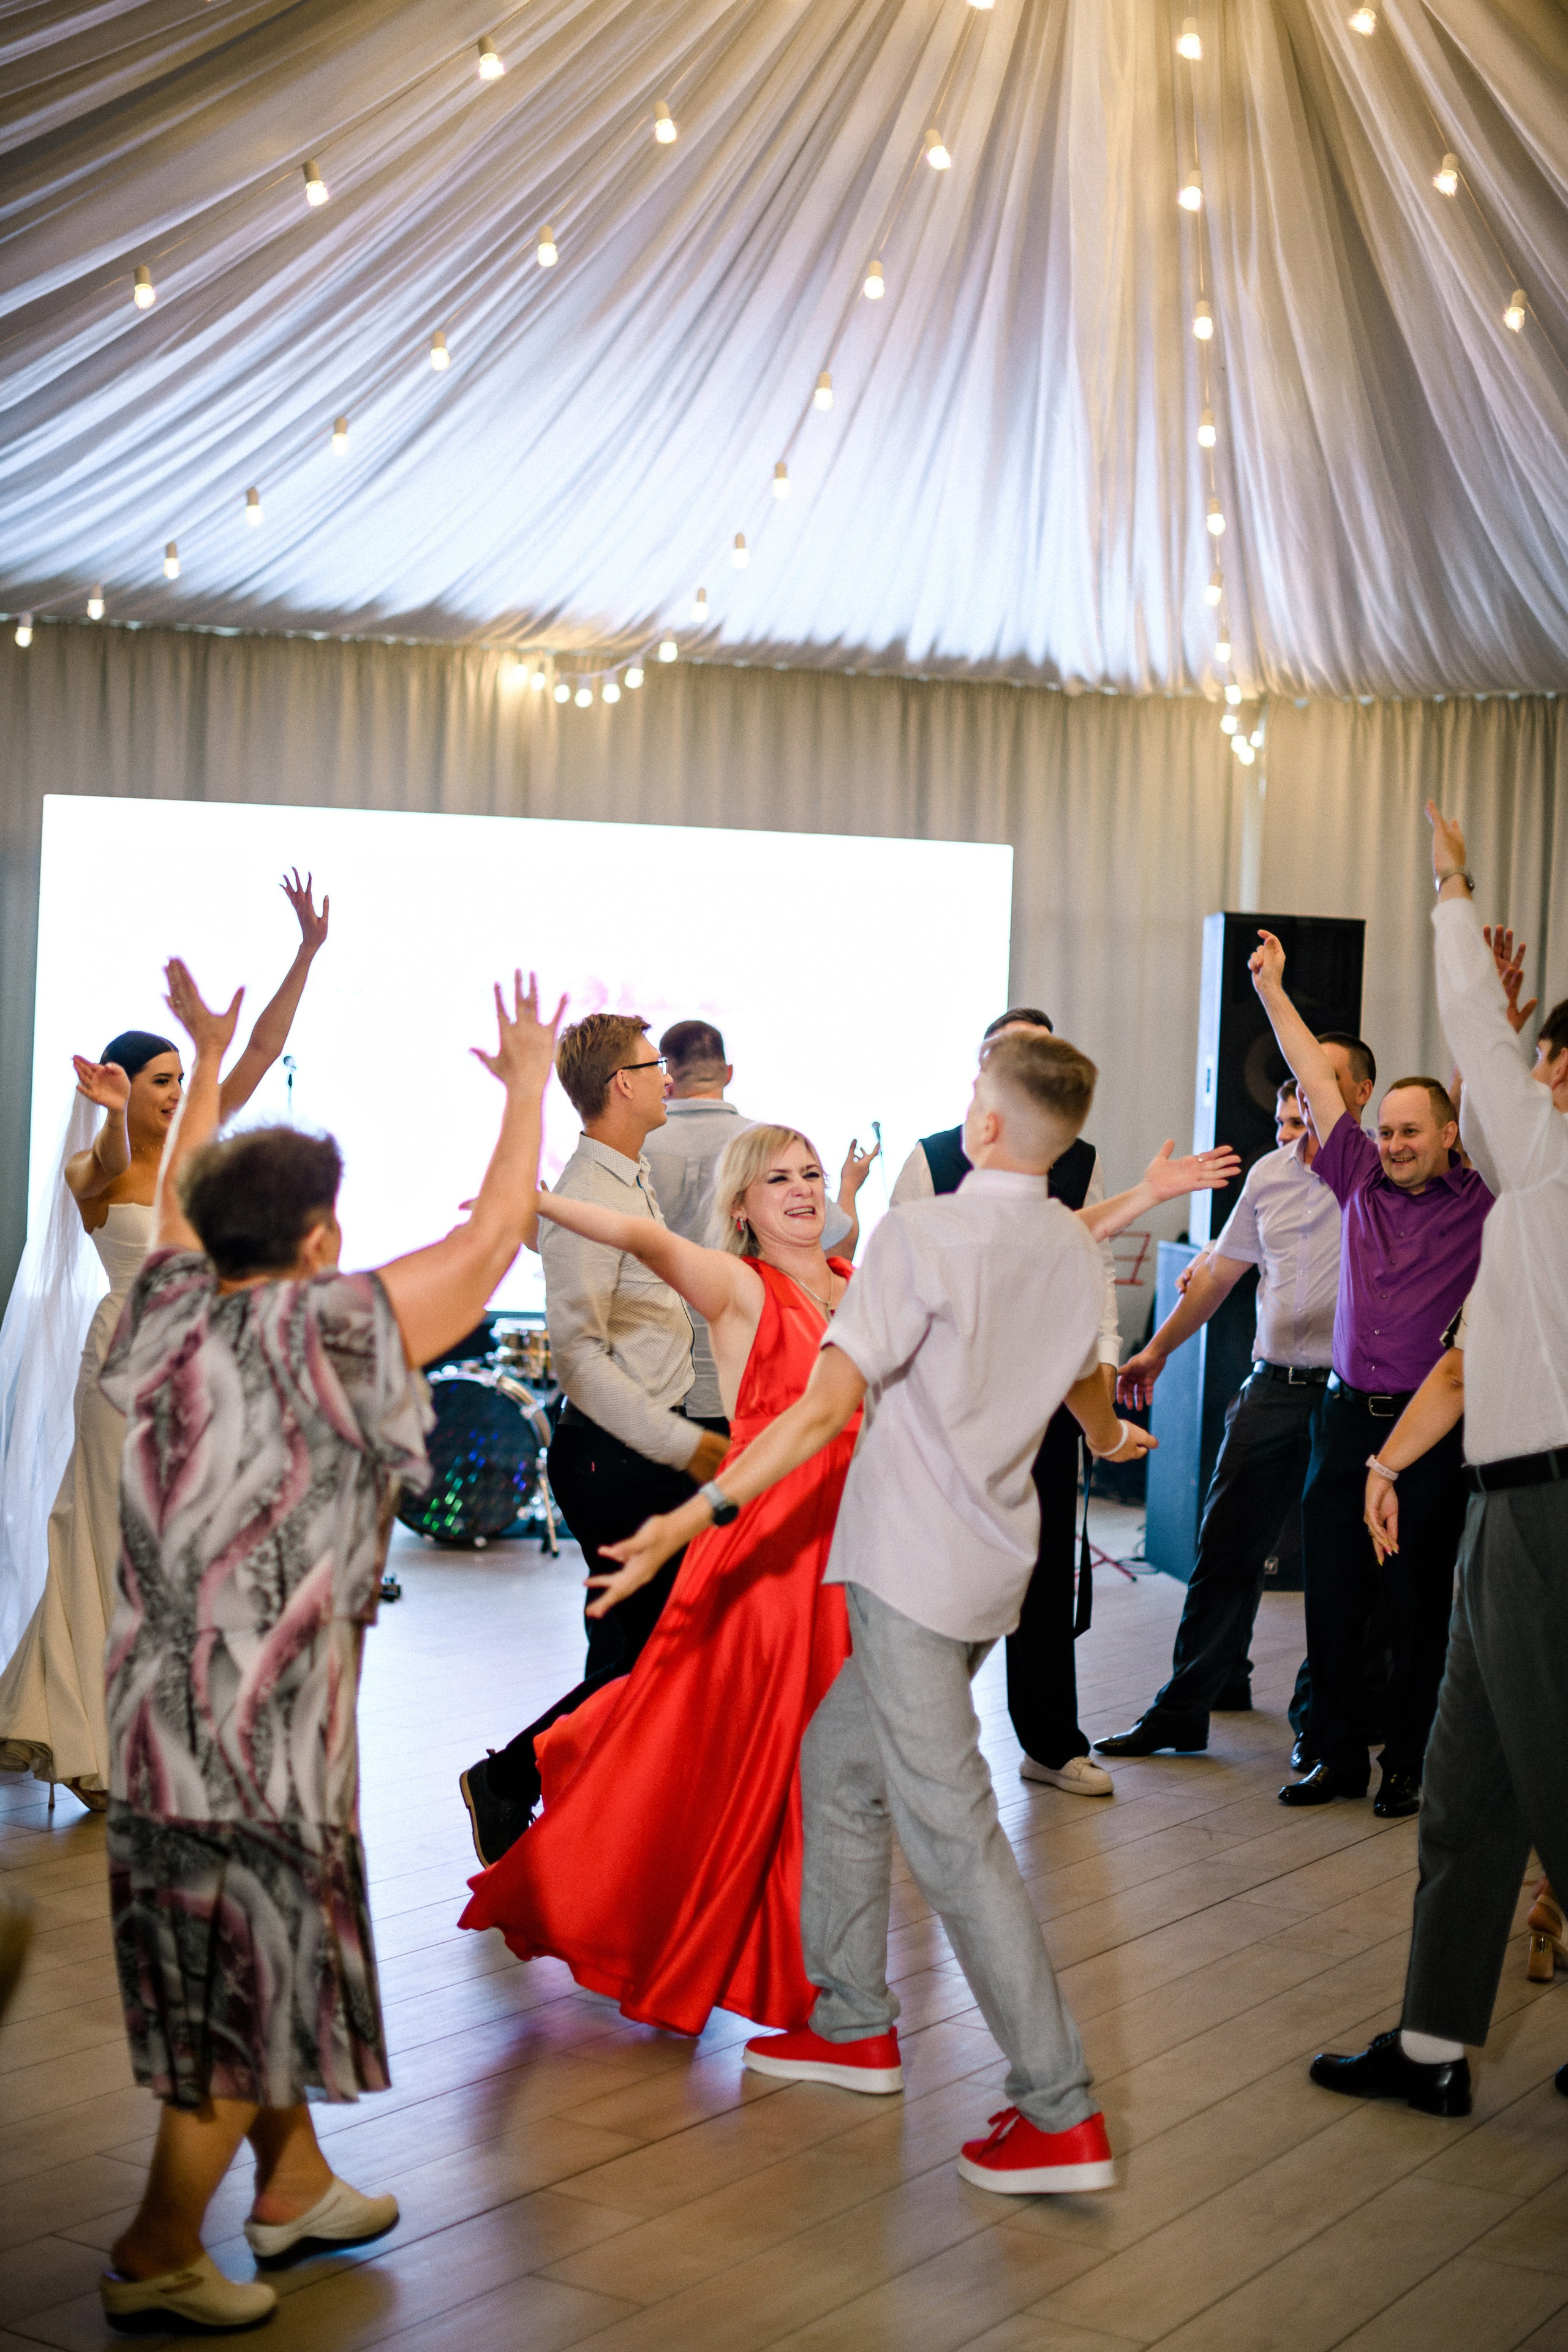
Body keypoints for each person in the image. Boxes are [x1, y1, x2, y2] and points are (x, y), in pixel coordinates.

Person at [589, 1031, 1254, 2195]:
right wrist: (1103, 1434)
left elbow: (815, 1412)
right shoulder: (1063, 1242)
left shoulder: (921, 1234)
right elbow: (1083, 1379)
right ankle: (851, 2024)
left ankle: (1057, 2111)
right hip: (993, 1571)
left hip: (905, 1572)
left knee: (952, 1835)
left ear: (987, 1127)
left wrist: (695, 1518)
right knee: (837, 1768)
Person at [459, 1114, 1229, 2032]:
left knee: (814, 1773)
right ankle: (619, 1896)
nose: (802, 1189)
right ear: (742, 1207)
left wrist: (1145, 1196)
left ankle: (811, 1979)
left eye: (812, 1174)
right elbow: (639, 1234)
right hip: (764, 1560)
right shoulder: (736, 1287)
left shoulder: (858, 1285)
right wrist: (532, 1202)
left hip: (853, 1555)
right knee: (695, 1753)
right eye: (778, 1177)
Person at [96, 956, 560, 2334]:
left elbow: (180, 1209)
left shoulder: (167, 1310)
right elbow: (486, 1252)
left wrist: (203, 1054)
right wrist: (530, 1085)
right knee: (253, 1966)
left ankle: (291, 2186)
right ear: (314, 1240)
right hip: (265, 1720)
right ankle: (155, 2249)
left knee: (237, 1945)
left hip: (158, 1705)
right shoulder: (332, 1328)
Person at [1308, 805, 1568, 2118]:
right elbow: (1472, 1359)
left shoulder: (1554, 1159)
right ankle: (1428, 2046)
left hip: (1543, 1511)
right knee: (1468, 1779)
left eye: (1543, 1067)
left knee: (1551, 1781)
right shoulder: (1535, 1187)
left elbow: (1472, 1035)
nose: (1529, 1082)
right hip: (1498, 1501)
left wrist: (1451, 884)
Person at [0, 872, 330, 1808]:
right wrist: (107, 1113)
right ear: (121, 1085)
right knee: (109, 1541)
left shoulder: (198, 1142)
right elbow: (105, 1166)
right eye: (160, 1082)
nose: (176, 1094)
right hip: (121, 1367)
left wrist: (306, 952)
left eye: (181, 1081)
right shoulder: (95, 1159)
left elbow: (264, 1047)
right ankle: (94, 1743)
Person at [458, 1011, 728, 1866]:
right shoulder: (592, 1192)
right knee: (649, 1662)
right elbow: (577, 1357)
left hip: (639, 1448)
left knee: (633, 1651)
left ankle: (587, 1813)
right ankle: (509, 1780)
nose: (668, 1080)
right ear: (623, 1084)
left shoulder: (623, 1179)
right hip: (618, 1457)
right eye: (654, 1068)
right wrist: (687, 1447)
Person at [1249, 925, 1493, 1815]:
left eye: (1409, 1131)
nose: (1391, 1142)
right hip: (1345, 1422)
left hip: (1428, 1431)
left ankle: (1411, 1763)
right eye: (1383, 1128)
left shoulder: (1482, 1203)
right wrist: (1275, 990)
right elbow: (1315, 1078)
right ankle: (1336, 1755)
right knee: (1337, 1593)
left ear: (1448, 1135)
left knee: (1420, 1600)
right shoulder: (1354, 1179)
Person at [891, 1008, 1127, 1798]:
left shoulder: (1078, 1158)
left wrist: (1102, 1367)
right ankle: (914, 1742)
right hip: (949, 1411)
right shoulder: (930, 1159)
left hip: (1050, 1400)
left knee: (1043, 1569)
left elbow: (1088, 1272)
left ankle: (1051, 1742)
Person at [1096, 1063, 1363, 1760]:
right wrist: (1153, 1352)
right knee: (1223, 1549)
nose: (1288, 1132)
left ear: (1355, 1094)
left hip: (1346, 1393)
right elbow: (1219, 1273)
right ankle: (1190, 1703)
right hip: (1270, 1386)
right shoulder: (1268, 1177)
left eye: (1302, 1118)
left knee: (1334, 1565)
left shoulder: (1371, 1171)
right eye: (1282, 1120)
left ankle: (1321, 1724)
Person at [640, 1017, 876, 1424]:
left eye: (809, 1177)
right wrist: (851, 1189)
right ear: (728, 1073)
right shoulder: (768, 1146)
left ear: (667, 1077)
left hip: (648, 1381)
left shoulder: (634, 1144)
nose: (798, 1185)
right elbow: (839, 1247)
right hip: (749, 1383)